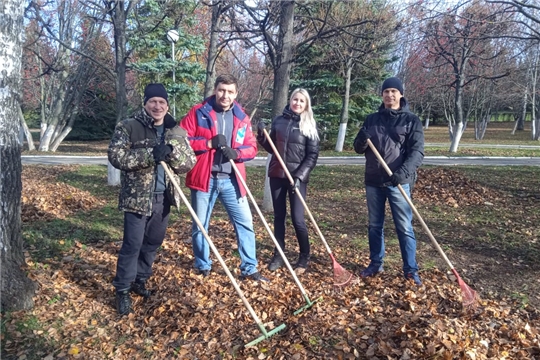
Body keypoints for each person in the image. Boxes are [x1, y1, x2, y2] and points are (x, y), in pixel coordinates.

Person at [108, 83, 196, 315]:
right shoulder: (129, 126)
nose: (157, 106)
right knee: (132, 244)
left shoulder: (175, 130)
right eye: (153, 102)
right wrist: (149, 155)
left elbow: (189, 162)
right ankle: (123, 289)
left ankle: (141, 279)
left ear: (167, 106)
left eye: (162, 103)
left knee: (153, 242)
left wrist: (172, 152)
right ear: (145, 103)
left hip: (163, 197)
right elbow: (116, 157)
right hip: (137, 198)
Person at [180, 74, 268, 282]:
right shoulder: (199, 112)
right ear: (215, 90)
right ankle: (202, 265)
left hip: (232, 180)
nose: (225, 95)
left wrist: (237, 154)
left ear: (236, 94)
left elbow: (251, 147)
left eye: (229, 91)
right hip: (205, 179)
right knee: (200, 225)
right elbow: (181, 140)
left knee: (245, 224)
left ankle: (249, 268)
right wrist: (207, 144)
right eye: (221, 90)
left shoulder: (241, 117)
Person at [353, 77, 424, 286]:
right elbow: (359, 148)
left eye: (394, 91)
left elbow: (417, 152)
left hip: (398, 182)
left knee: (404, 227)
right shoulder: (371, 119)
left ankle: (410, 270)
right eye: (386, 91)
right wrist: (361, 138)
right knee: (375, 225)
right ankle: (376, 263)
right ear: (382, 94)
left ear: (401, 94)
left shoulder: (411, 120)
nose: (390, 95)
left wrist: (402, 174)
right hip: (374, 180)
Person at [257, 88, 319, 274]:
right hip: (277, 175)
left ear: (306, 104)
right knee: (279, 217)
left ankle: (304, 256)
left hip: (297, 178)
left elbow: (312, 155)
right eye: (295, 99)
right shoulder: (279, 120)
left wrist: (299, 177)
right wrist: (261, 135)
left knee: (298, 219)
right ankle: (279, 254)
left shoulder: (309, 125)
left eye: (301, 101)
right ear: (290, 100)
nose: (297, 103)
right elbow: (271, 147)